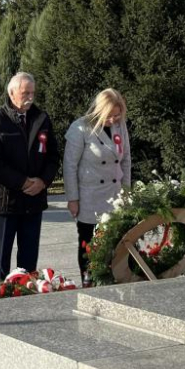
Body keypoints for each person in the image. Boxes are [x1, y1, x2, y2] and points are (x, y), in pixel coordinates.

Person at [0, 72, 60, 284]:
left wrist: (43, 181)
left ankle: (25, 298)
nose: (30, 97)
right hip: (4, 203)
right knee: (0, 262)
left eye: (33, 92)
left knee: (29, 262)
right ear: (12, 93)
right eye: (25, 93)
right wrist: (22, 182)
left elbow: (53, 156)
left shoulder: (42, 119)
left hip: (33, 201)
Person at [64, 89, 132, 279]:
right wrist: (73, 198)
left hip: (114, 194)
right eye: (109, 115)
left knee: (116, 242)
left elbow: (126, 160)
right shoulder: (81, 128)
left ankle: (115, 277)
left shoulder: (121, 126)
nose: (114, 119)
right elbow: (69, 165)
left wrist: (126, 192)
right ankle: (89, 279)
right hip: (90, 197)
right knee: (89, 243)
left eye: (118, 115)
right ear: (99, 110)